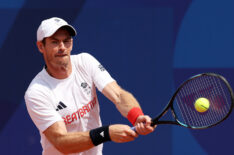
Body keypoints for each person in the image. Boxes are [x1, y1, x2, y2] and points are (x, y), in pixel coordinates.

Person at [24, 17, 155, 155]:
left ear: (72, 43)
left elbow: (118, 95)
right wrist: (106, 133)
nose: (62, 47)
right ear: (41, 46)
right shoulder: (37, 92)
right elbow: (61, 142)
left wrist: (137, 117)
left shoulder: (85, 61)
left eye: (66, 41)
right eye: (55, 42)